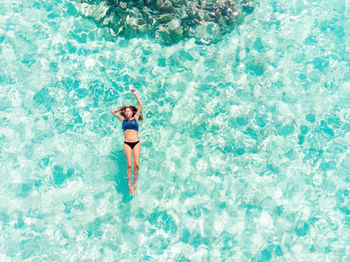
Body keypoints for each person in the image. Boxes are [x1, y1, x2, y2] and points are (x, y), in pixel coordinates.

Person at [111, 89, 143, 194]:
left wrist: (135, 94)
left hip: (136, 143)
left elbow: (141, 105)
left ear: (132, 112)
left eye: (129, 110)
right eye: (126, 111)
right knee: (129, 165)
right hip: (127, 144)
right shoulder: (122, 119)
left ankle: (135, 183)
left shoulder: (136, 118)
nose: (127, 112)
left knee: (137, 164)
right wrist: (123, 108)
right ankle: (129, 184)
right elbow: (113, 111)